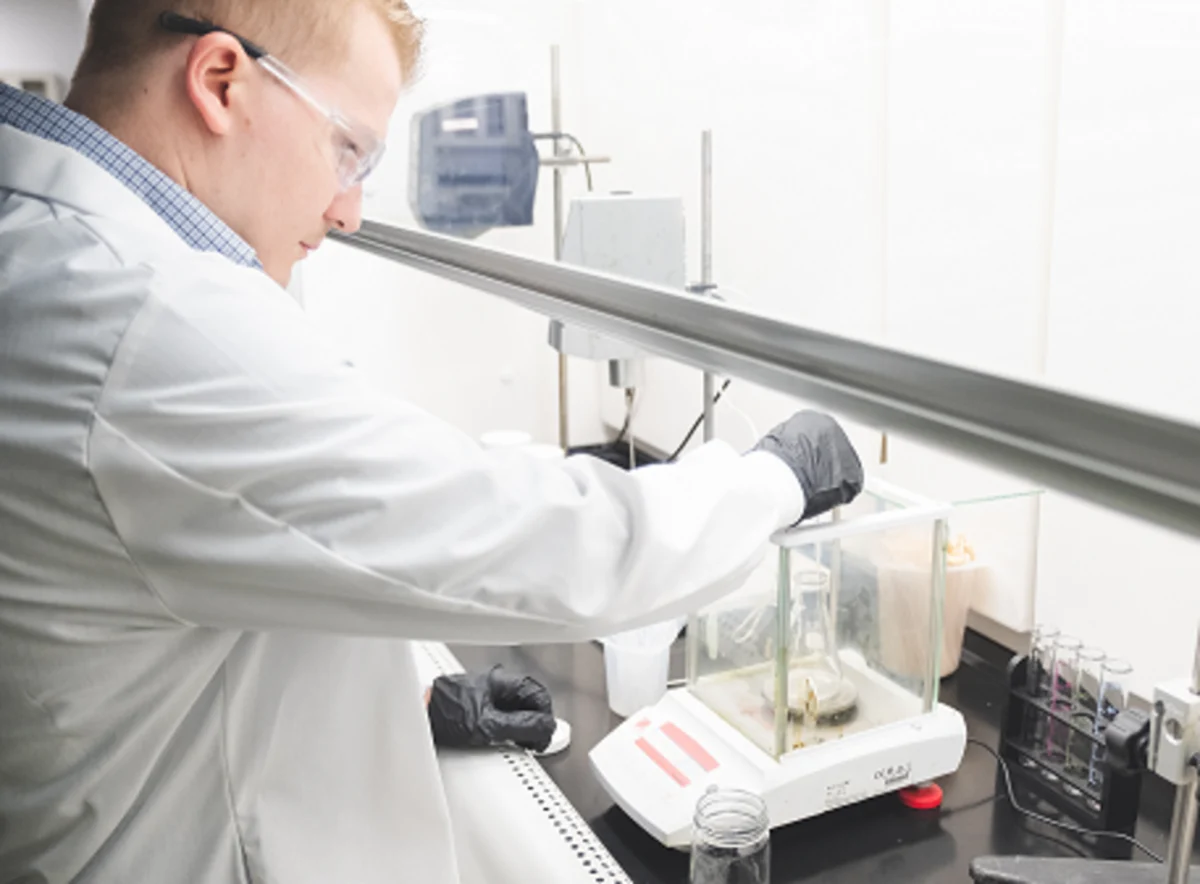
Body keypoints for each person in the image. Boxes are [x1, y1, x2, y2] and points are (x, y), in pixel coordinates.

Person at [0, 1, 864, 882]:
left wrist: (413, 703)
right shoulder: (145, 322)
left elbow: (185, 606)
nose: (348, 211)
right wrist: (774, 480)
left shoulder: (56, 257)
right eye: (347, 149)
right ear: (221, 82)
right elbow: (549, 544)